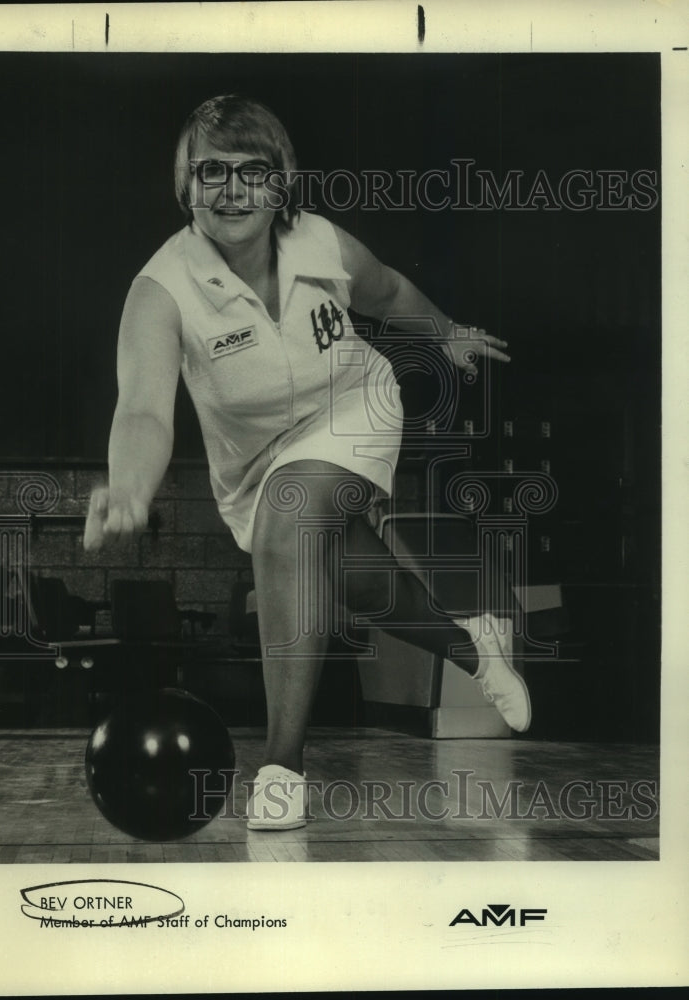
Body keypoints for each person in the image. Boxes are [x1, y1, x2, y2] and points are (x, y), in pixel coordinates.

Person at [84, 94, 531, 832]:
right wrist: (130, 487)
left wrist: (446, 333)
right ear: (186, 186)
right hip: (252, 463)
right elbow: (140, 408)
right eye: (212, 173)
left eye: (251, 172)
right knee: (351, 580)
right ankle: (472, 642)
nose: (232, 190)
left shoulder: (324, 244)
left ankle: (283, 767)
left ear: (280, 182)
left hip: (352, 410)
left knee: (295, 518)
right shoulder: (159, 290)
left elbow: (387, 290)